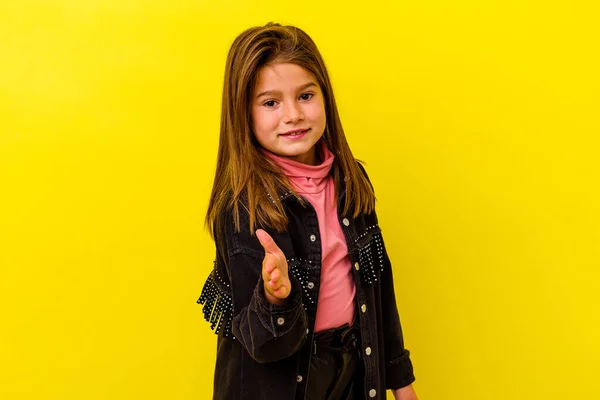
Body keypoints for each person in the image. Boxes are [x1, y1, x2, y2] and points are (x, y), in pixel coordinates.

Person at [197, 22, 418, 400]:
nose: (293, 115)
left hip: (352, 375)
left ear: (325, 97)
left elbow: (379, 286)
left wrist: (400, 381)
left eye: (305, 95)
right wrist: (275, 298)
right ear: (243, 114)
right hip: (279, 386)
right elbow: (263, 346)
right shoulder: (242, 207)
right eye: (270, 102)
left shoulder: (351, 181)